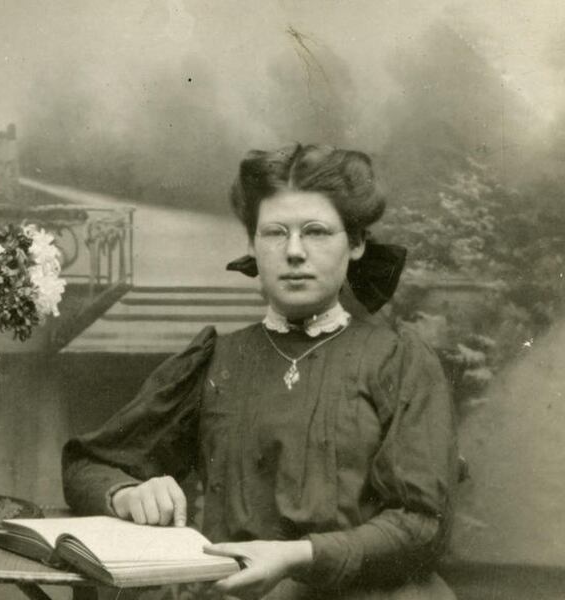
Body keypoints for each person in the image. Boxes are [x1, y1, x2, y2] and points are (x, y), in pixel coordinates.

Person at [62, 144, 459, 600]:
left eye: (316, 232)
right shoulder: (217, 361)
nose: (294, 252)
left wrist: (298, 556)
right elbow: (88, 466)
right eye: (274, 233)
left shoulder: (398, 360)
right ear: (252, 244)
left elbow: (422, 526)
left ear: (355, 243)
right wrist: (126, 493)